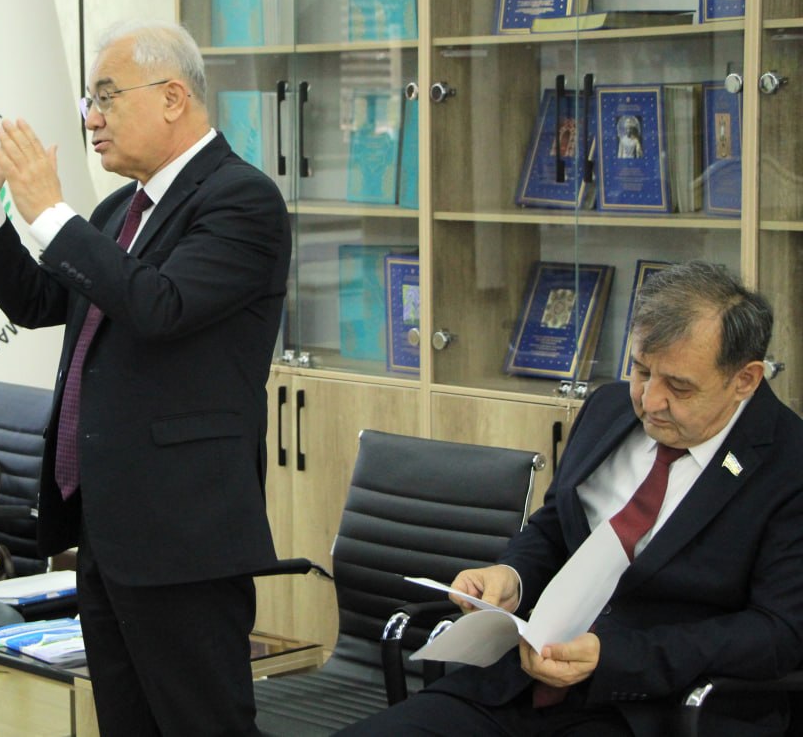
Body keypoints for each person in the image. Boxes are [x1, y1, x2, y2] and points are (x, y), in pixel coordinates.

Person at [0, 19, 291, 735]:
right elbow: (41, 302)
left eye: (105, 98)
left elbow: (160, 306)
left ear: (173, 97)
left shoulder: (240, 199)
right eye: (89, 101)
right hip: (106, 528)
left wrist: (49, 211)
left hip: (184, 532)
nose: (91, 119)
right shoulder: (121, 208)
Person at [339, 260, 803, 737]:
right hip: (517, 681)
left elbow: (779, 632)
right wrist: (513, 576)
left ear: (745, 379)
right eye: (642, 370)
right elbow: (556, 527)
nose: (649, 401)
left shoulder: (789, 464)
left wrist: (615, 658)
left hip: (653, 710)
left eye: (679, 386)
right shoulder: (608, 408)